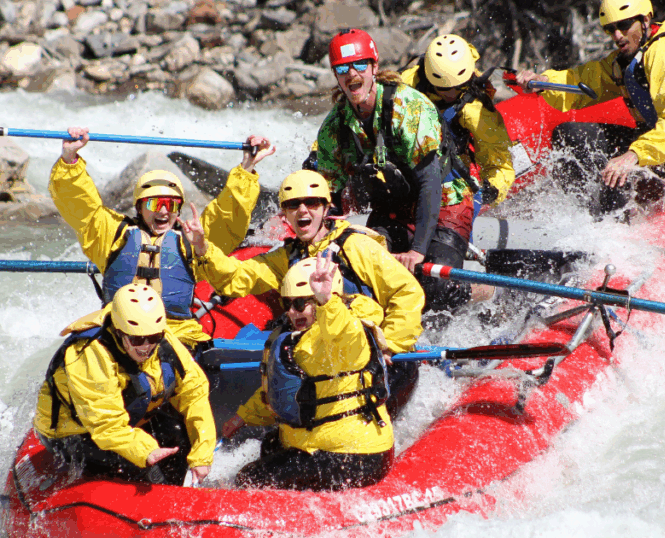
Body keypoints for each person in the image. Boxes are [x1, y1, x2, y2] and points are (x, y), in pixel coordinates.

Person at [185, 170, 424, 418]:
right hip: (322, 359)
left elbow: (407, 292)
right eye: (292, 204)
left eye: (311, 202)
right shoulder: (289, 256)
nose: (302, 210)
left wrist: (389, 346)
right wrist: (203, 249)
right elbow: (236, 278)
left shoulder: (356, 246)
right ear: (285, 213)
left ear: (326, 207)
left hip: (375, 358)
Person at [313, 28, 491, 312]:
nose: (352, 74)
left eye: (360, 65)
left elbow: (430, 183)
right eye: (342, 68)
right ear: (335, 75)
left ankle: (483, 290)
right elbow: (329, 195)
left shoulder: (408, 107)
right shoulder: (333, 128)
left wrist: (417, 251)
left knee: (434, 288)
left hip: (445, 200)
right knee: (363, 275)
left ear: (374, 66)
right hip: (393, 204)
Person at [514, 0, 665, 214]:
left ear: (645, 20)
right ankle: (584, 219)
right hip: (657, 148)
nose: (617, 35)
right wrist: (542, 82)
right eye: (610, 29)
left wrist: (633, 155)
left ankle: (613, 228)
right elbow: (581, 80)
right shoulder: (626, 60)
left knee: (620, 165)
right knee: (571, 134)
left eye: (625, 25)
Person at [50, 127, 275, 346]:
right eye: (154, 203)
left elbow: (228, 215)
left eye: (171, 204)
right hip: (119, 331)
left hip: (174, 333)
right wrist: (70, 160)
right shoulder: (112, 235)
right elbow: (81, 207)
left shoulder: (193, 240)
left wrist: (247, 167)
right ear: (139, 207)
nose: (163, 211)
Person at [221, 256, 394, 491]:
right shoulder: (293, 337)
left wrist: (327, 303)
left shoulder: (347, 333)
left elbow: (345, 335)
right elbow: (287, 391)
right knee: (271, 445)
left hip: (354, 453)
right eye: (288, 304)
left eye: (302, 303)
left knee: (249, 480)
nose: (293, 312)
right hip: (320, 444)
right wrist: (243, 416)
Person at [33, 284, 216, 485]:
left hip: (127, 421)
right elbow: (106, 424)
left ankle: (173, 497)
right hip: (75, 432)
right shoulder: (89, 353)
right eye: (137, 340)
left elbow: (195, 394)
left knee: (176, 432)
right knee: (136, 464)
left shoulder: (161, 338)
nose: (146, 346)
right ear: (120, 332)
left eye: (153, 337)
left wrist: (202, 455)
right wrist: (146, 451)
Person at [401, 34, 516, 214]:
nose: (452, 93)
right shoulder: (409, 82)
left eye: (459, 86)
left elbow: (500, 165)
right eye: (445, 88)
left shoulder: (476, 112)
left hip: (450, 165)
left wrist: (492, 190)